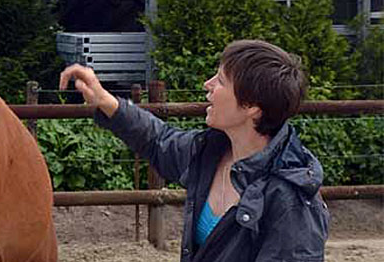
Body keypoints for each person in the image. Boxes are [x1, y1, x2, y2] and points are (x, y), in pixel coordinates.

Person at [59, 39, 329, 262]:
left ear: (251, 107)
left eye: (221, 81)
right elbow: (158, 141)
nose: (208, 85)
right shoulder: (211, 152)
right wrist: (104, 100)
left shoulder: (292, 203)